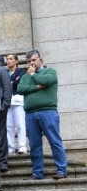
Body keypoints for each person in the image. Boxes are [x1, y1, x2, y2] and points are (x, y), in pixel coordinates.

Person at [18, 49, 68, 180]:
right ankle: (38, 172)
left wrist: (34, 75)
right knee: (34, 145)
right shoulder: (24, 76)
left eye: (34, 60)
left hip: (48, 112)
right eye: (29, 61)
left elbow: (46, 81)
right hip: (30, 114)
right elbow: (20, 89)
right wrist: (36, 87)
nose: (31, 63)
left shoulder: (50, 72)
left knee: (54, 141)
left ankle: (62, 169)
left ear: (41, 60)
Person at [6, 53, 28, 155]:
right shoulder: (5, 72)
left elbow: (19, 84)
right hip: (7, 102)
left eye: (11, 59)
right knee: (8, 126)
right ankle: (10, 147)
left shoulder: (22, 72)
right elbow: (4, 85)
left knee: (20, 125)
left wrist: (12, 83)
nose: (8, 61)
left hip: (18, 101)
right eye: (7, 59)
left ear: (16, 61)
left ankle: (22, 146)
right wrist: (13, 82)